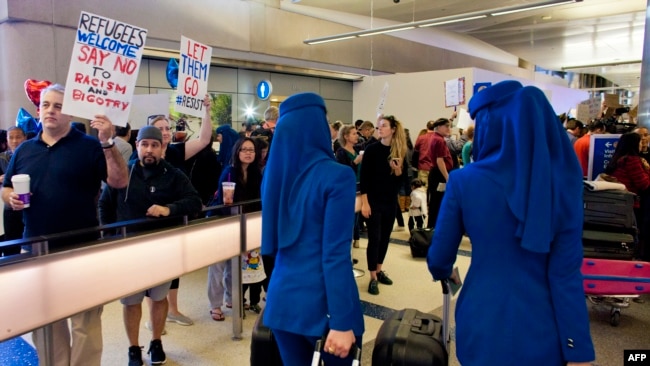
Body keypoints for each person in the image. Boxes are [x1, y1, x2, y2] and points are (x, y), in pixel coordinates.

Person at [427, 80, 595, 366]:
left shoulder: (464, 181)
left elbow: (440, 257)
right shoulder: (563, 183)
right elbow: (566, 275)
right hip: (543, 331)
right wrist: (577, 349)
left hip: (482, 322)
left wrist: (444, 271)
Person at [2, 83, 129, 366]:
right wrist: (11, 197)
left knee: (85, 323)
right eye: (46, 105)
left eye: (58, 106)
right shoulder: (24, 150)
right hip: (35, 249)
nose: (50, 111)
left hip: (81, 248)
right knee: (45, 323)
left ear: (70, 113)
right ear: (39, 110)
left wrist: (107, 142)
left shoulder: (90, 146)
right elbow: (7, 187)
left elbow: (119, 181)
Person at [261, 92, 363, 365]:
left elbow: (271, 245)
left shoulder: (273, 177)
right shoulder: (338, 175)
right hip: (325, 307)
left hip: (282, 303)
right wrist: (342, 320)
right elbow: (335, 255)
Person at [98, 126, 202, 366]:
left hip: (161, 250)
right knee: (131, 302)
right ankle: (133, 348)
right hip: (128, 251)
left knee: (158, 297)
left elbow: (195, 201)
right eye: (145, 144)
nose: (149, 150)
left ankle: (156, 341)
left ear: (162, 147)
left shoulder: (173, 174)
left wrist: (169, 209)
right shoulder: (123, 172)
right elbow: (104, 206)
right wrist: (111, 237)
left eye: (154, 145)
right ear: (137, 146)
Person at [146, 95, 214, 327]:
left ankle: (172, 310)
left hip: (174, 215)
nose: (165, 132)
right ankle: (154, 318)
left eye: (167, 128)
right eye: (160, 128)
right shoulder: (143, 157)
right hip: (151, 219)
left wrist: (207, 110)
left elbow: (204, 139)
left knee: (174, 267)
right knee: (153, 269)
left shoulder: (175, 152)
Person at [207, 137, 264, 320]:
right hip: (223, 223)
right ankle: (215, 305)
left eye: (251, 150)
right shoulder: (229, 172)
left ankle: (231, 298)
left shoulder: (257, 175)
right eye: (244, 149)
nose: (248, 153)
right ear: (237, 152)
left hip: (243, 225)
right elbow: (224, 202)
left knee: (235, 266)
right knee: (218, 266)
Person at [359, 114, 407, 295]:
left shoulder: (399, 151)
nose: (380, 129)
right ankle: (372, 276)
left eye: (384, 126)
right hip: (373, 201)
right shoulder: (371, 150)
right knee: (375, 239)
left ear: (393, 129)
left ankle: (379, 270)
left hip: (389, 201)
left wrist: (398, 169)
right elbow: (364, 179)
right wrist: (365, 203)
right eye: (378, 126)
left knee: (385, 238)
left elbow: (400, 181)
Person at [0, 126, 27, 255]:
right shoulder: (2, 158)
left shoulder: (30, 155)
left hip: (28, 205)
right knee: (11, 242)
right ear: (6, 140)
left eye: (18, 137)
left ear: (25, 138)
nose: (14, 141)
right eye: (11, 137)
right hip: (8, 206)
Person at [427, 118, 453, 228]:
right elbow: (440, 160)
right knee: (437, 202)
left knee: (435, 202)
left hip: (436, 173)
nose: (448, 129)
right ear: (438, 127)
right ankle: (433, 227)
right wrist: (447, 177)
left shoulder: (436, 137)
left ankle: (433, 226)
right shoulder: (439, 140)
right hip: (439, 174)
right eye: (446, 126)